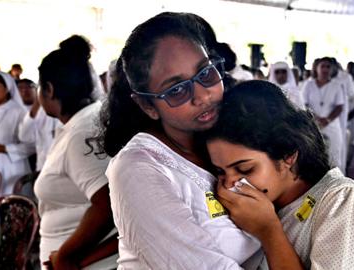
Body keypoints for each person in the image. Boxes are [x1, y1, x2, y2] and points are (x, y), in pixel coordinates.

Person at [98, 12, 260, 269]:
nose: (202, 96)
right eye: (176, 90)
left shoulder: (234, 136)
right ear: (147, 105)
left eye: (206, 73)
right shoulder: (138, 169)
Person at [204, 80, 354, 269]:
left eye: (245, 169)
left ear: (288, 155)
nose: (229, 184)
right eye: (220, 172)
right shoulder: (266, 205)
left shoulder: (340, 198)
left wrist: (269, 232)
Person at [33, 35, 117, 269]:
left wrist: (66, 256)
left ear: (48, 89)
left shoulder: (82, 132)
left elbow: (108, 203)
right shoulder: (87, 121)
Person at [0, 71, 34, 196]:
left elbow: (31, 145)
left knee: (6, 206)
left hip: (11, 170)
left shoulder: (19, 112)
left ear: (7, 87)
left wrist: (4, 148)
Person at [303, 57, 345, 172]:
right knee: (314, 155)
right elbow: (304, 104)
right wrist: (315, 118)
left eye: (328, 67)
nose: (325, 69)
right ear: (316, 68)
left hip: (331, 125)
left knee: (333, 156)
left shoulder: (336, 85)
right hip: (313, 125)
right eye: (322, 66)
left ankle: (336, 186)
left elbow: (339, 106)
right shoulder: (309, 85)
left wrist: (327, 120)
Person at [17, 79, 59, 172]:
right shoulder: (39, 111)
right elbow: (25, 137)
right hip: (43, 167)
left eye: (28, 87)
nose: (25, 91)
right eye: (20, 88)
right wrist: (36, 106)